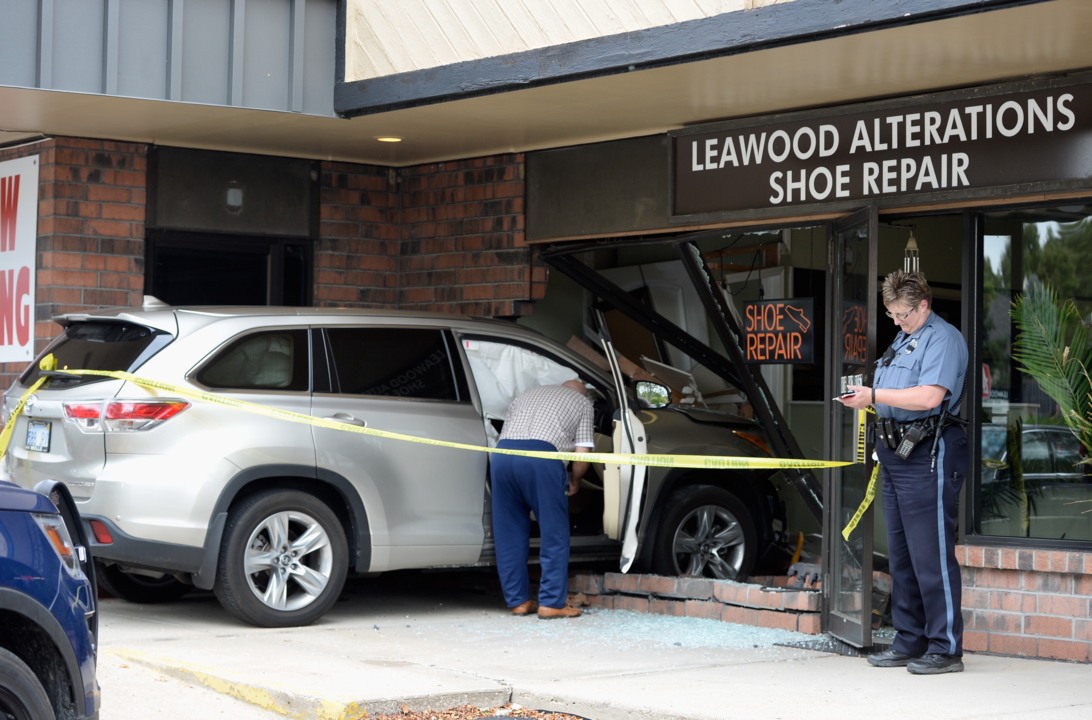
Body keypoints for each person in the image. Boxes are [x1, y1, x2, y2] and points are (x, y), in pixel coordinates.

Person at [839, 270, 969, 675]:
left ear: (923, 305)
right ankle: (910, 639)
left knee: (931, 553)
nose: (896, 321)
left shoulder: (942, 338)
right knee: (902, 553)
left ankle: (945, 648)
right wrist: (867, 400)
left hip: (928, 450)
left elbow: (929, 396)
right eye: (891, 314)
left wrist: (873, 394)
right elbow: (895, 394)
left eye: (902, 314)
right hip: (896, 451)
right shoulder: (903, 338)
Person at [490, 378, 595, 619]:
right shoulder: (582, 403)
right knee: (553, 531)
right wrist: (575, 481)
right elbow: (582, 454)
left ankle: (518, 601)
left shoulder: (527, 394)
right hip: (542, 458)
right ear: (583, 394)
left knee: (508, 533)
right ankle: (551, 603)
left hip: (502, 457)